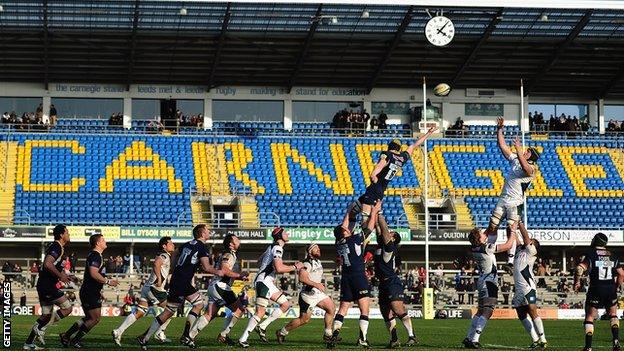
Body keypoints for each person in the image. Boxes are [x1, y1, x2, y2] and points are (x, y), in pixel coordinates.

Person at [137, 225, 223, 350]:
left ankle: (186, 335)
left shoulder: (187, 244)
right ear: (202, 233)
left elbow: (175, 254)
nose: (209, 232)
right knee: (168, 312)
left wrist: (173, 270)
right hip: (181, 281)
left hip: (181, 280)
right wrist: (218, 272)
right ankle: (144, 337)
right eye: (207, 230)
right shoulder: (201, 247)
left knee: (199, 304)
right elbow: (206, 267)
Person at [341, 126, 437, 233]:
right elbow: (414, 145)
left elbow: (381, 165)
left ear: (389, 147)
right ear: (399, 148)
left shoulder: (387, 154)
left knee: (365, 221)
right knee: (353, 209)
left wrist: (374, 174)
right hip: (381, 190)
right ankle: (351, 235)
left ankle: (360, 243)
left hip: (374, 189)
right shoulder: (402, 157)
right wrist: (429, 133)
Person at [485, 117, 540, 266]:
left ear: (531, 156)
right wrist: (500, 129)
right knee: (493, 225)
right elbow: (502, 146)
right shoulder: (516, 158)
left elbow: (525, 167)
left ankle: (510, 259)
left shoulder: (532, 169)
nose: (525, 151)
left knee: (512, 228)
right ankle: (488, 251)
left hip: (516, 202)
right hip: (504, 198)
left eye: (528, 151)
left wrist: (518, 150)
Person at [327, 203, 381, 349]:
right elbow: (369, 228)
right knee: (364, 309)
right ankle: (362, 339)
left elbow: (343, 227)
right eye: (346, 229)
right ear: (344, 232)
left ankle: (335, 335)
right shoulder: (355, 239)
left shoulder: (338, 243)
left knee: (343, 308)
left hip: (346, 277)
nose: (348, 228)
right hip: (358, 276)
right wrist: (374, 211)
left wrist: (349, 212)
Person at [238, 227, 303, 348]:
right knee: (260, 312)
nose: (287, 234)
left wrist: (266, 265)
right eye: (285, 232)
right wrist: (295, 267)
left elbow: (259, 260)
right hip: (264, 282)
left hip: (266, 281)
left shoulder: (271, 246)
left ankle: (262, 326)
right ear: (280, 236)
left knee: (286, 305)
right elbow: (279, 268)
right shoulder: (277, 248)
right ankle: (243, 339)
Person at [112, 237, 176, 346]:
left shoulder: (164, 255)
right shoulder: (164, 255)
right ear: (164, 246)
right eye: (171, 243)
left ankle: (118, 331)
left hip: (147, 287)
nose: (173, 245)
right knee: (171, 309)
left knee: (139, 312)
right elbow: (156, 264)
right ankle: (159, 333)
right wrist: (160, 279)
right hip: (155, 288)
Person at [187, 234, 249, 345]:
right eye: (236, 239)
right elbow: (224, 270)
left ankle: (189, 337)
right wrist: (240, 275)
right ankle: (223, 335)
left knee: (209, 314)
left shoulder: (228, 254)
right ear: (231, 244)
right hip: (221, 286)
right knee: (239, 309)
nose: (239, 240)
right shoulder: (228, 254)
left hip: (214, 286)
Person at [60, 234, 119, 348]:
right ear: (97, 243)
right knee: (95, 319)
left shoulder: (95, 255)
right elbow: (93, 273)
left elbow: (92, 275)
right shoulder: (96, 255)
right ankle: (74, 340)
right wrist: (108, 281)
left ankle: (67, 335)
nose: (105, 241)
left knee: (89, 318)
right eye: (103, 239)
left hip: (90, 291)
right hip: (90, 292)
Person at [462, 224, 516, 349]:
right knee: (488, 310)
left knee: (480, 310)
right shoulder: (487, 248)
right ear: (479, 238)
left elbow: (485, 235)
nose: (483, 234)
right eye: (481, 233)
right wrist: (513, 232)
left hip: (481, 280)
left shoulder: (475, 248)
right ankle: (475, 339)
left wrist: (493, 226)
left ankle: (469, 337)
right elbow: (508, 245)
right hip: (490, 281)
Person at [24, 225, 76, 350]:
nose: (69, 235)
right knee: (67, 308)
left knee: (46, 315)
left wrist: (66, 276)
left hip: (44, 284)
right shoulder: (57, 246)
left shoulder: (58, 247)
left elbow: (53, 267)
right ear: (61, 235)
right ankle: (41, 328)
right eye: (67, 232)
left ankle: (28, 343)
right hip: (47, 285)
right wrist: (60, 276)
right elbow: (48, 264)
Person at [276, 243, 335, 344]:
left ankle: (328, 335)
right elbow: (303, 279)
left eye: (318, 248)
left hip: (317, 293)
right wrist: (316, 284)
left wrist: (318, 285)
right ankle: (282, 332)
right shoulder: (306, 263)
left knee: (331, 308)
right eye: (315, 248)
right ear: (309, 252)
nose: (318, 250)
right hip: (307, 295)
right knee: (304, 320)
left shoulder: (318, 262)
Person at [574, 233, 624, 351]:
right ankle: (616, 340)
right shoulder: (613, 255)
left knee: (590, 317)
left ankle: (589, 347)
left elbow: (579, 268)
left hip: (596, 288)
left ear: (595, 241)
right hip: (610, 288)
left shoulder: (591, 254)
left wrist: (577, 282)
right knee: (613, 315)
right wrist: (616, 286)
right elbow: (621, 273)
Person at [374, 212, 417, 348]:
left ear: (393, 239)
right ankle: (394, 339)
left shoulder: (389, 247)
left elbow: (384, 231)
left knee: (398, 310)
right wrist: (373, 216)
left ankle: (412, 336)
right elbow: (379, 230)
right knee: (385, 312)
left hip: (392, 282)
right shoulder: (381, 245)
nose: (389, 233)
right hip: (383, 283)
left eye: (391, 233)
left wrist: (380, 216)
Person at [512, 221, 547, 348]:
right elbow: (514, 237)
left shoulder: (531, 251)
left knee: (532, 310)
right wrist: (511, 225)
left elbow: (525, 237)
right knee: (521, 314)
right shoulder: (519, 250)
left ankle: (543, 339)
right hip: (519, 289)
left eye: (531, 241)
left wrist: (520, 224)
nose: (528, 240)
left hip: (528, 287)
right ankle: (535, 339)